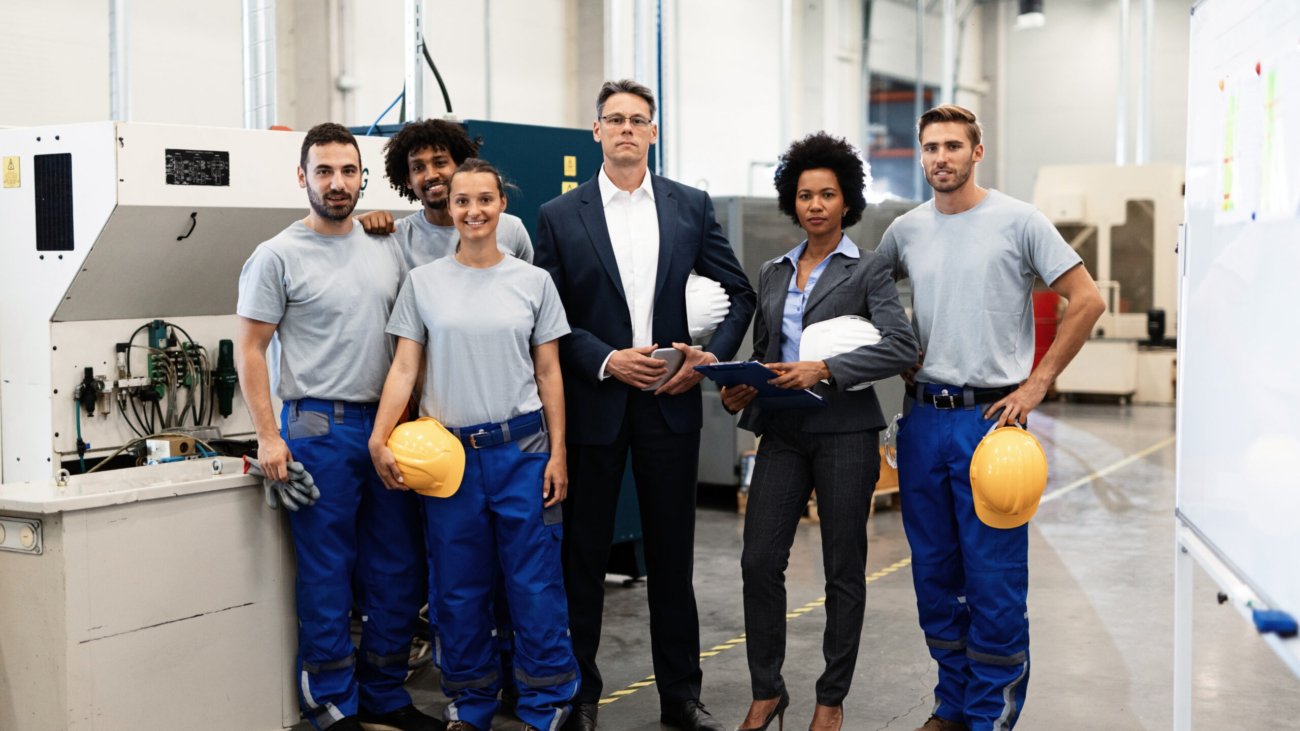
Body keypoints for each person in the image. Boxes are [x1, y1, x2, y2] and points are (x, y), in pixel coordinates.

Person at [534, 79, 756, 731]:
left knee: (671, 557)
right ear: (596, 131)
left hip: (669, 401)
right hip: (595, 402)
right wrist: (605, 357)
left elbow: (739, 291)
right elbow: (548, 317)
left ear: (653, 132)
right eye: (614, 119)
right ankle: (578, 696)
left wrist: (705, 357)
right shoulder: (559, 214)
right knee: (583, 557)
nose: (627, 128)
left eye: (638, 119)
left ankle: (680, 696)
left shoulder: (690, 206)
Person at [874, 105, 1105, 731]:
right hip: (922, 421)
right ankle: (952, 704)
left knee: (994, 582)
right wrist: (897, 345)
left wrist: (1037, 383)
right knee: (935, 578)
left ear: (978, 152)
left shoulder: (1019, 222)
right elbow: (867, 295)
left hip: (993, 426)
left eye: (952, 146)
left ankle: (989, 717)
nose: (940, 158)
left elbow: (1086, 301)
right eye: (930, 148)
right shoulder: (906, 230)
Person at [235, 123, 438, 731]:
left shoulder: (387, 243)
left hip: (389, 429)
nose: (337, 183)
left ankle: (383, 692)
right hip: (318, 430)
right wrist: (269, 437)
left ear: (362, 177)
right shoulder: (276, 256)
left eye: (348, 171)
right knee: (328, 574)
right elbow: (250, 350)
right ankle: (330, 703)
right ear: (303, 178)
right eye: (324, 172)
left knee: (399, 570)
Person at [369, 158, 579, 731]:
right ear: (450, 208)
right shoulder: (424, 283)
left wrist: (558, 452)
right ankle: (469, 704)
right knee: (457, 592)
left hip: (523, 451)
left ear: (501, 205)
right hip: (449, 462)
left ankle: (547, 703)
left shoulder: (533, 282)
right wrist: (378, 437)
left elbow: (550, 374)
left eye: (484, 199)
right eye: (463, 201)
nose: (474, 211)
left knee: (534, 586)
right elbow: (404, 369)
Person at [722, 132, 918, 731]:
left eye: (827, 194)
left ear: (846, 201)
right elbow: (766, 352)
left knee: (843, 568)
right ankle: (767, 691)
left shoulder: (868, 270)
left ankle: (830, 700)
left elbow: (902, 345)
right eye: (805, 195)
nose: (815, 205)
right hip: (782, 432)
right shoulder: (773, 271)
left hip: (845, 434)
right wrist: (742, 387)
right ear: (793, 201)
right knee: (759, 560)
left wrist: (827, 368)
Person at [358, 118, 533, 266]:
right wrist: (359, 224)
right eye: (418, 167)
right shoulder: (397, 237)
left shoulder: (511, 229)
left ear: (460, 166)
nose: (431, 175)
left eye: (440, 162)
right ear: (407, 180)